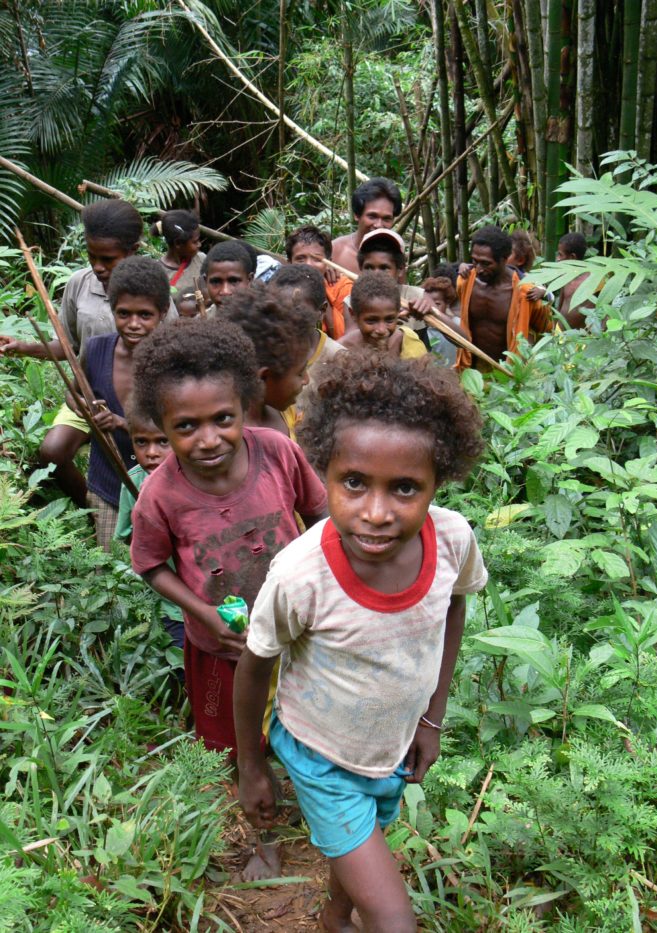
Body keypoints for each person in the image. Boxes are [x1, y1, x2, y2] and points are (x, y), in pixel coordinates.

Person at [233, 351, 487, 933]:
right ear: (322, 468)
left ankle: (332, 919)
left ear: (436, 483)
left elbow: (453, 605)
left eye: (404, 488)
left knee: (356, 861)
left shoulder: (451, 539)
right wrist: (251, 764)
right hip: (321, 755)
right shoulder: (301, 575)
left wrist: (432, 719)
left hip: (390, 749)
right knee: (393, 919)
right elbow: (254, 667)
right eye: (354, 483)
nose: (376, 512)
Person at [129, 316, 327, 876]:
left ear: (245, 405)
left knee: (300, 720)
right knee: (235, 745)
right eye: (186, 426)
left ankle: (312, 801)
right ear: (161, 427)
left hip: (296, 634)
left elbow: (318, 517)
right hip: (222, 648)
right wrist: (203, 612)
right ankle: (261, 832)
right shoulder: (161, 493)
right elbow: (148, 564)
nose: (208, 438)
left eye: (223, 419)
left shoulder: (277, 452)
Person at [0, 200, 177, 506]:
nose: (98, 267)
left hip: (140, 396)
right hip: (90, 393)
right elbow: (67, 347)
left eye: (108, 259)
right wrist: (23, 347)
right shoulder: (80, 284)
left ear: (132, 250)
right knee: (52, 452)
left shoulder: (153, 294)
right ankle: (92, 507)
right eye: (92, 256)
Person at [70, 255, 170, 549]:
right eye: (124, 314)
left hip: (164, 483)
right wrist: (86, 409)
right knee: (111, 567)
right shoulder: (97, 348)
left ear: (162, 312)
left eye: (145, 315)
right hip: (108, 480)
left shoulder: (174, 359)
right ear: (112, 310)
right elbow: (74, 391)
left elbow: (181, 427)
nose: (134, 324)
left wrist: (120, 423)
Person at [115, 398, 184, 662]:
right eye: (141, 442)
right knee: (182, 666)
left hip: (212, 593)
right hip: (170, 603)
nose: (151, 452)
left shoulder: (197, 478)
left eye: (162, 442)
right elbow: (125, 537)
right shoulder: (133, 482)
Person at [217, 284, 318, 439]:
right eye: (300, 372)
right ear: (263, 378)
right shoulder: (237, 441)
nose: (306, 379)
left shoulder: (283, 411)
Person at [456, 225, 552, 371]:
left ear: (504, 259)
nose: (479, 269)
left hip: (509, 375)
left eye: (486, 263)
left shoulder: (525, 293)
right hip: (472, 371)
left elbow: (546, 330)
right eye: (475, 261)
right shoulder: (465, 282)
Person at [268, 263, 345, 411]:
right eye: (277, 310)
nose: (286, 320)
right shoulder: (263, 352)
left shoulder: (339, 361)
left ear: (321, 311)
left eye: (298, 313)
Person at [285, 225, 353, 339]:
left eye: (317, 259)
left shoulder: (342, 287)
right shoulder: (282, 289)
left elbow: (346, 338)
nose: (308, 265)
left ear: (329, 263)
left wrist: (320, 291)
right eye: (300, 259)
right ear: (289, 263)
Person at [339, 272, 426, 359]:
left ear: (397, 312)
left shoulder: (406, 343)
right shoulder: (341, 351)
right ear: (353, 314)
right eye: (371, 321)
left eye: (389, 320)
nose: (381, 330)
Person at [331, 177, 402, 275]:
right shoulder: (335, 252)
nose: (379, 225)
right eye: (372, 216)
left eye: (386, 219)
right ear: (357, 215)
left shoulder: (394, 257)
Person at [151, 210, 205, 317]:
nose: (199, 245)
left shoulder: (201, 260)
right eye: (195, 242)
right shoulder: (157, 272)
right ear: (178, 244)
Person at [201, 241, 254, 311]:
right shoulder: (201, 320)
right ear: (206, 281)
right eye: (216, 282)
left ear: (249, 280)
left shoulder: (266, 320)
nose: (225, 291)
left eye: (234, 281)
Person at [556, 232, 593, 329]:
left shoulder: (592, 281)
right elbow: (560, 304)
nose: (557, 259)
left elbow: (601, 312)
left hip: (579, 339)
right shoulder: (566, 276)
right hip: (559, 333)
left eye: (560, 255)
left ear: (572, 257)